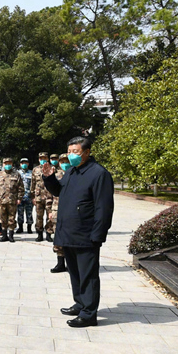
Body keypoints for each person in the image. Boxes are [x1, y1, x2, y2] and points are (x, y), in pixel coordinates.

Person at [43, 136, 115, 328]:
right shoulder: (71, 172)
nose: (71, 155)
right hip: (68, 232)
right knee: (74, 272)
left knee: (88, 275)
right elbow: (59, 191)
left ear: (87, 152)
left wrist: (98, 234)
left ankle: (89, 314)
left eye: (75, 152)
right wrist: (49, 178)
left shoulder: (99, 174)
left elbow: (104, 207)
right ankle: (80, 303)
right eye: (69, 152)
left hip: (86, 234)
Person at [0, 157, 24, 243]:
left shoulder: (16, 174)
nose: (7, 165)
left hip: (12, 201)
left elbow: (21, 188)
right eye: (6, 163)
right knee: (3, 218)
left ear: (12, 164)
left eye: (9, 163)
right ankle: (4, 235)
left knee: (12, 218)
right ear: (3, 164)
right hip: (1, 201)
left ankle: (11, 235)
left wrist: (19, 198)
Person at [50, 153, 70, 273]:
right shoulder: (55, 175)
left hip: (71, 211)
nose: (65, 163)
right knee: (58, 237)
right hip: (56, 210)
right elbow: (49, 194)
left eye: (67, 161)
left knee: (71, 237)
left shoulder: (76, 174)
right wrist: (49, 210)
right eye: (62, 161)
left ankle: (71, 263)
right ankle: (60, 263)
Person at [31, 151, 55, 242]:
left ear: (47, 159)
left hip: (49, 196)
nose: (43, 160)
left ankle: (49, 234)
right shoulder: (35, 169)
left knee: (50, 217)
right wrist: (32, 196)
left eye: (44, 158)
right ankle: (39, 234)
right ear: (39, 159)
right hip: (38, 197)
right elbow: (33, 183)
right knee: (39, 217)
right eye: (41, 158)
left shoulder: (52, 168)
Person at [16, 157, 33, 234]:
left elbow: (33, 184)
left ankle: (29, 227)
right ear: (20, 164)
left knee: (29, 213)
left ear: (28, 164)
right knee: (20, 213)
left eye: (25, 163)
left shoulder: (31, 173)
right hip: (20, 197)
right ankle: (20, 227)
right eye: (23, 163)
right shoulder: (17, 173)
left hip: (29, 197)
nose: (24, 164)